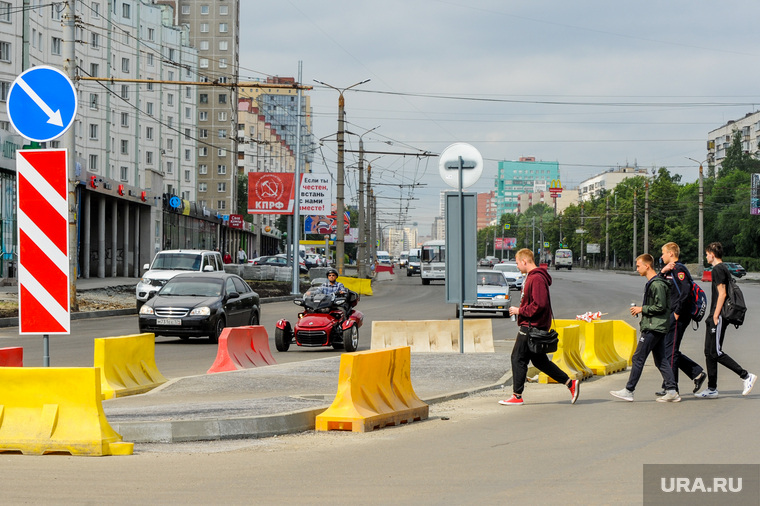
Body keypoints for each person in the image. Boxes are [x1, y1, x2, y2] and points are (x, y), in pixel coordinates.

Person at [500, 248, 579, 406]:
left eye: (517, 263)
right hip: (534, 326)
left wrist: (519, 310)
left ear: (524, 261)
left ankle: (517, 396)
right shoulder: (533, 277)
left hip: (531, 327)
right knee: (540, 362)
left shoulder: (536, 279)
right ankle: (570, 384)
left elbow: (540, 305)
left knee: (517, 358)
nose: (517, 266)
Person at [611, 254, 680, 402]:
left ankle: (629, 390)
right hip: (656, 325)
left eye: (638, 266)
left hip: (653, 327)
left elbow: (661, 307)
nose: (637, 269)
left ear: (647, 266)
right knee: (661, 359)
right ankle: (672, 391)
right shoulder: (655, 282)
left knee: (638, 357)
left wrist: (642, 309)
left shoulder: (656, 284)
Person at [695, 242, 756, 398]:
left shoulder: (718, 269)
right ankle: (712, 388)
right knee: (709, 352)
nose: (706, 256)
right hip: (715, 315)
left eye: (707, 254)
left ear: (712, 254)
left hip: (719, 315)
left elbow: (722, 294)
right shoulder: (721, 269)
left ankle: (746, 376)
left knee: (715, 351)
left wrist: (715, 316)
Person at [656, 242, 706, 396]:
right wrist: (663, 271)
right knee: (670, 350)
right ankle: (696, 373)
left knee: (669, 351)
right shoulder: (669, 270)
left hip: (679, 315)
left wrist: (677, 313)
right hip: (672, 314)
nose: (662, 256)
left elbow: (685, 291)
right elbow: (656, 284)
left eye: (663, 253)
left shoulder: (679, 269)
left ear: (671, 253)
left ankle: (671, 388)